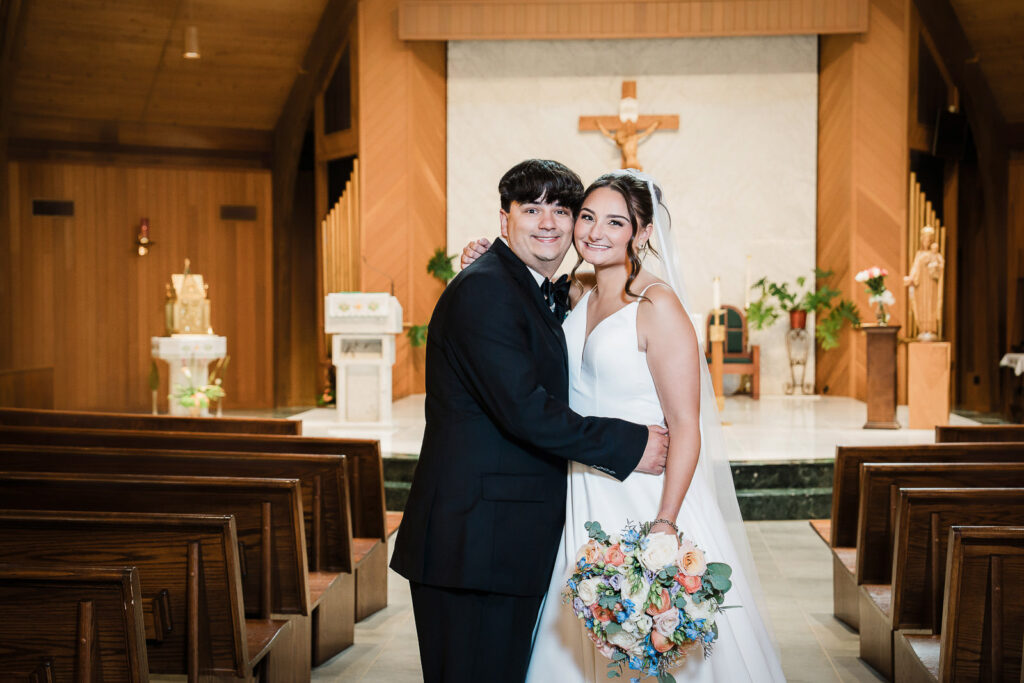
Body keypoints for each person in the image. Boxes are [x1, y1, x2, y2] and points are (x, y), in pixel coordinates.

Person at [462, 170, 786, 682]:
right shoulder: (576, 294)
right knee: (579, 637)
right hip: (578, 487)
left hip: (642, 490)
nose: (594, 232)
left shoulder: (658, 306)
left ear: (643, 232)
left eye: (615, 222)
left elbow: (686, 424)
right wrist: (487, 260)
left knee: (651, 642)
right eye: (587, 217)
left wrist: (666, 523)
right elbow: (519, 299)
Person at [390, 159, 672, 683]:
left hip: (499, 538)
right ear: (505, 220)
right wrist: (628, 442)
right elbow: (524, 410)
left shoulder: (532, 286)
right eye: (532, 208)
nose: (548, 222)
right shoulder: (486, 290)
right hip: (473, 544)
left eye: (562, 210)